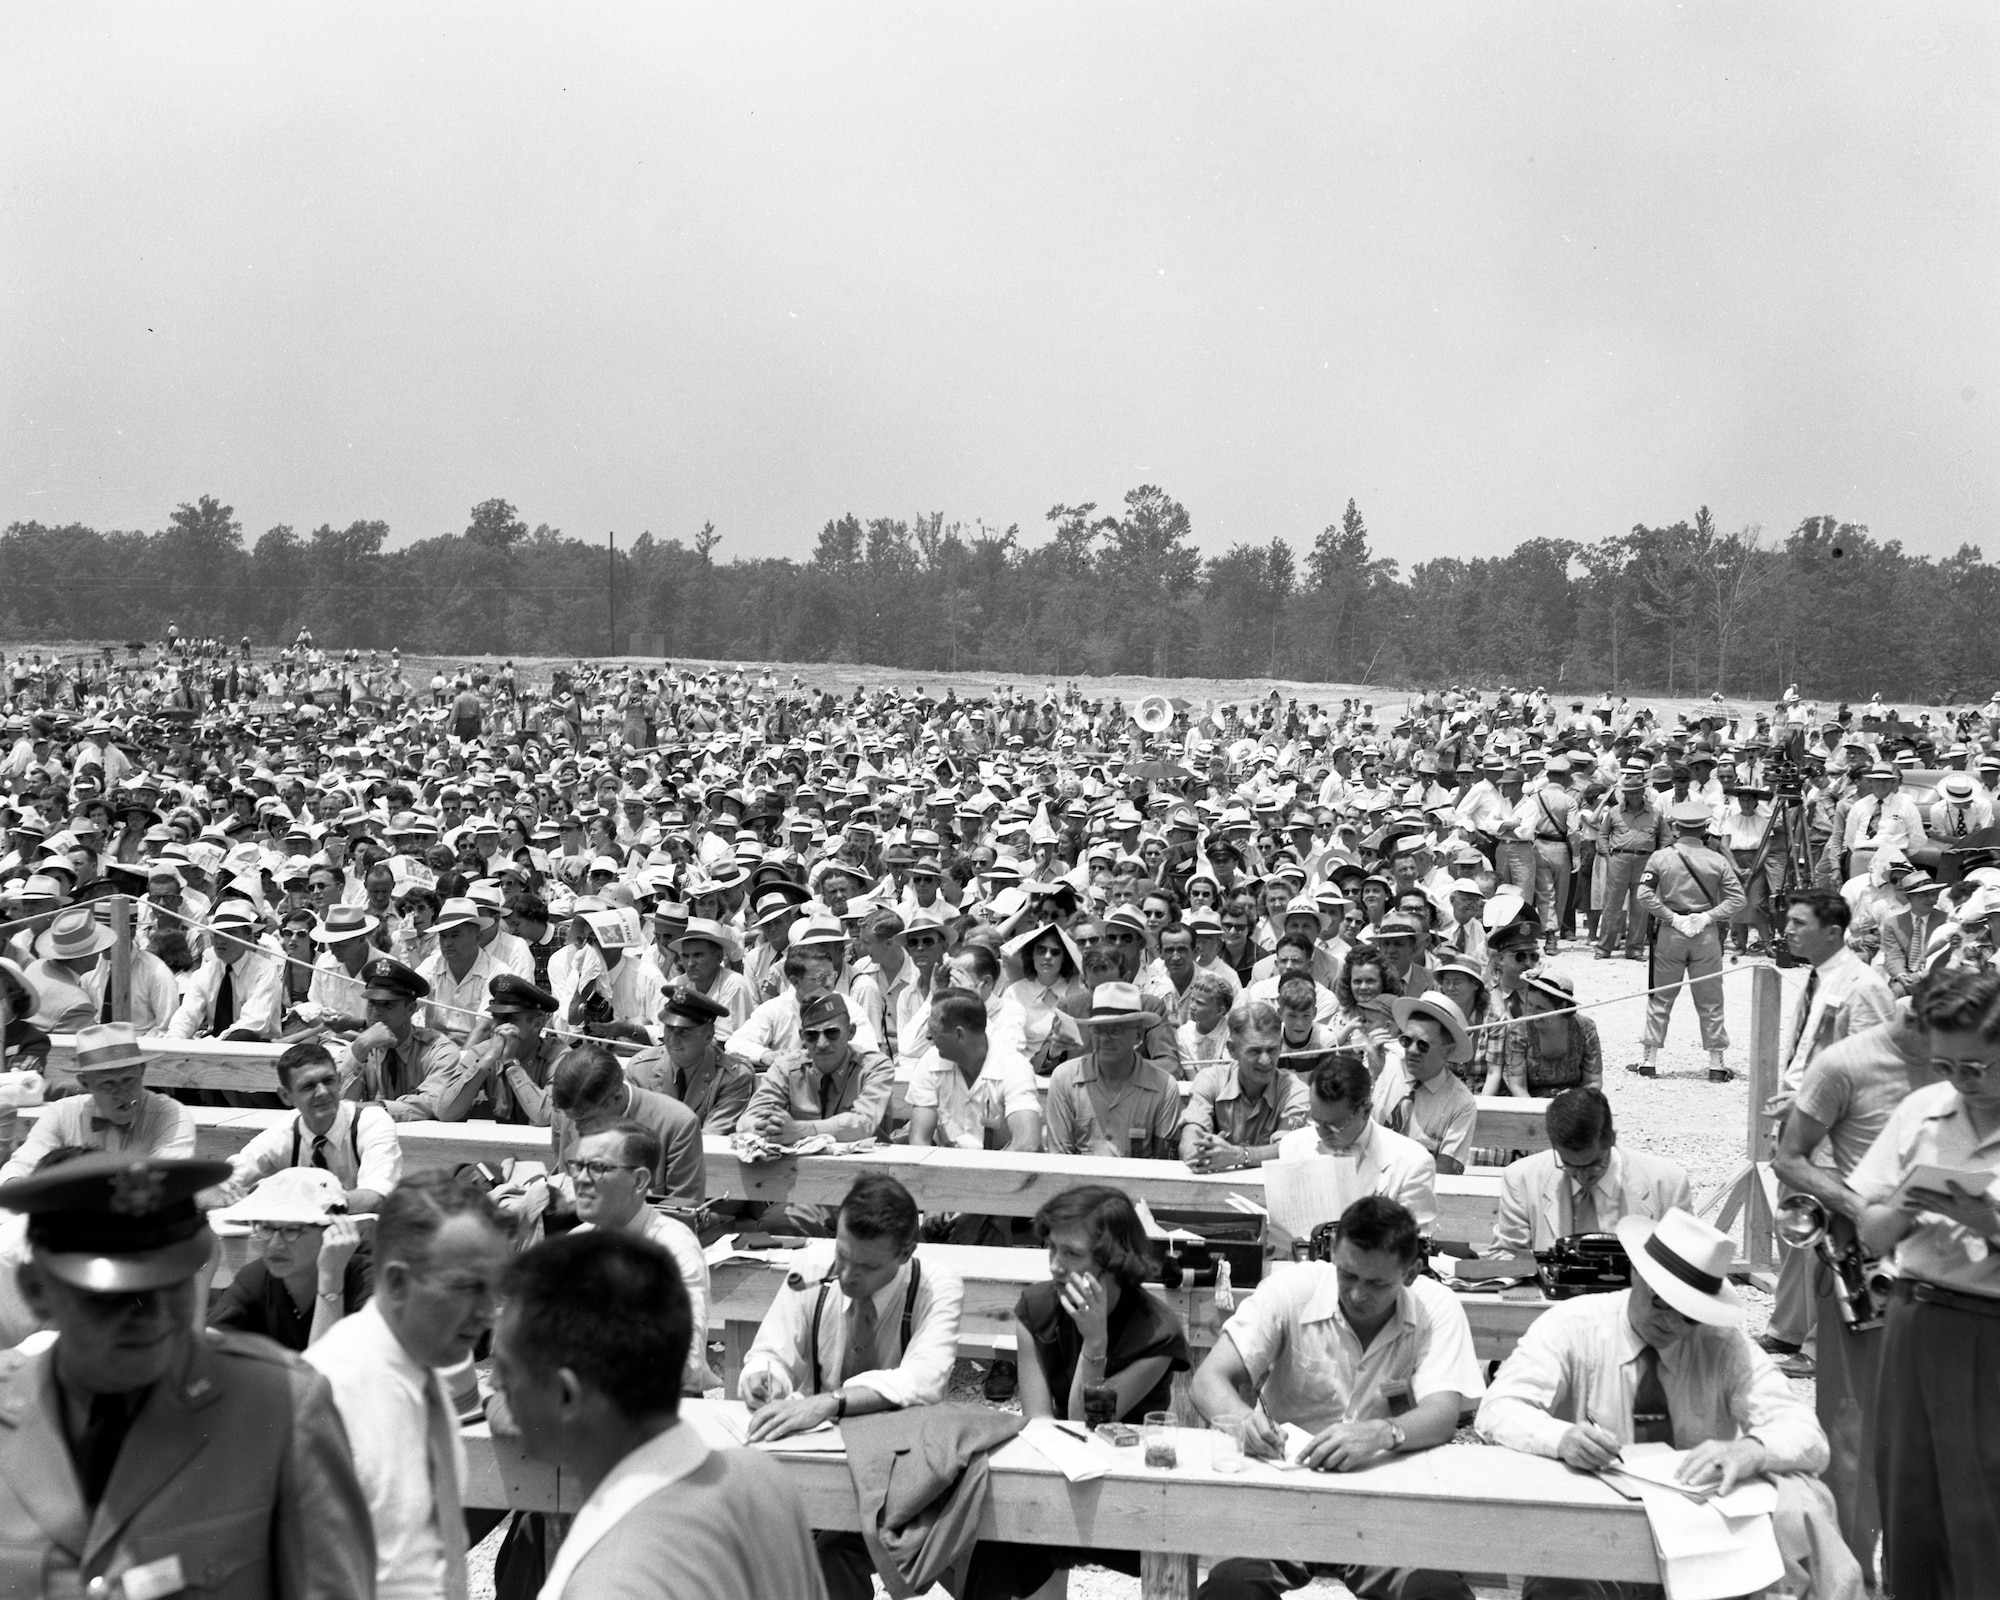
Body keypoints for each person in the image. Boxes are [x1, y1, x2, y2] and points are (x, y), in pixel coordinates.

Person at [0, 1152, 375, 1598]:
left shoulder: (279, 1406)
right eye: (111, 1297)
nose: (150, 1316)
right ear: (36, 1291)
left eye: (171, 1286)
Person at [1477, 1207, 1864, 1600]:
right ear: (1634, 1275)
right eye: (1661, 1303)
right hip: (1592, 1526)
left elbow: (1808, 1436)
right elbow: (1498, 1408)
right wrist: (1560, 1438)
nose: (1672, 1324)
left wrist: (1752, 1449)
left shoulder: (1724, 1345)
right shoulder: (1573, 1324)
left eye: (1690, 1316)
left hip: (1698, 1536)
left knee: (1801, 1496)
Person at [491, 1228, 826, 1600]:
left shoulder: (612, 1583)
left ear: (566, 1395)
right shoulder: (763, 1482)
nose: (494, 1385)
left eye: (506, 1371)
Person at [1190, 1195, 1483, 1600]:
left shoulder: (1437, 1307)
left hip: (1386, 1499)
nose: (1358, 1294)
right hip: (1286, 1490)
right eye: (1347, 1275)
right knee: (1230, 1590)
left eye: (1377, 1283)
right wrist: (1241, 1420)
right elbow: (1208, 1380)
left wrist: (1382, 1433)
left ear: (1412, 1272)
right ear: (1333, 1257)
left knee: (1437, 1594)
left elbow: (1443, 1414)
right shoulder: (1293, 1289)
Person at [1770, 996, 1941, 1579]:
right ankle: (1853, 1576)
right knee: (1853, 1426)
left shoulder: (1972, 1061)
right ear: (1921, 1013)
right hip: (1862, 1262)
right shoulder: (1845, 1063)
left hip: (1947, 1269)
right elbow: (1788, 1160)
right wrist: (1856, 1204)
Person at [736, 1175, 965, 1600]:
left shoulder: (937, 1285)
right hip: (820, 1457)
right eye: (842, 1255)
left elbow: (924, 1380)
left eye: (866, 1266)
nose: (846, 1273)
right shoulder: (810, 1268)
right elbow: (771, 1351)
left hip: (904, 1470)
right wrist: (764, 1379)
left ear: (905, 1253)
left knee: (834, 1558)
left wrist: (827, 1403)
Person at [1849, 967, 2000, 1599]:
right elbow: (1872, 1232)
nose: (1961, 1083)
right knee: (1910, 1498)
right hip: (1917, 1315)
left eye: (1977, 1069)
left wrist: (1987, 1221)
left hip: (1991, 1328)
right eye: (1945, 1066)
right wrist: (1911, 1202)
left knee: (1984, 1507)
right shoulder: (1922, 1110)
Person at [962, 1185, 1191, 1600]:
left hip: (1133, 1493)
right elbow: (1043, 1426)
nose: (1055, 1265)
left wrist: (1095, 1345)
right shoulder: (1036, 1308)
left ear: (1113, 1260)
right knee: (995, 1532)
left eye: (1071, 1254)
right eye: (1050, 1249)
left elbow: (1087, 1422)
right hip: (1063, 1478)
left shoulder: (1158, 1331)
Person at [306, 1170, 513, 1600]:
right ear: (398, 1283)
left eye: (493, 1290)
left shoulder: (427, 1372)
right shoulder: (333, 1395)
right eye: (466, 1288)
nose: (487, 1313)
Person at [1761, 889, 1900, 1380]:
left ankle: (1821, 1345)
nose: (1789, 931)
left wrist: (1810, 1107)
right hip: (1802, 1115)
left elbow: (1872, 1068)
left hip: (1833, 1128)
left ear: (1833, 932)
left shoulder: (1863, 987)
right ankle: (1789, 1326)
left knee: (1827, 1236)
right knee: (1797, 1225)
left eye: (1799, 923)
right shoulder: (1820, 977)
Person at [566, 1120, 713, 1395]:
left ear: (639, 1180)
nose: (581, 1179)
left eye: (598, 1167)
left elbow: (685, 1363)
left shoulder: (672, 1248)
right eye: (577, 1165)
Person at [1489, 1087, 1692, 1254]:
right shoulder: (1521, 1179)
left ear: (1612, 1139)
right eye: (1569, 1165)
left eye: (1594, 1164)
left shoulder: (1668, 1184)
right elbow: (1507, 1257)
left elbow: (1686, 1262)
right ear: (1553, 1146)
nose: (1583, 1176)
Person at [1633, 799, 1746, 1082]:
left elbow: (1644, 895)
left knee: (1661, 996)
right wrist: (1708, 917)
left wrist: (1671, 917)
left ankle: (1649, 1061)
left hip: (1671, 932)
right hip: (1705, 934)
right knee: (1711, 1000)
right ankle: (1716, 1064)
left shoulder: (1660, 857)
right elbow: (1737, 899)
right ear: (1705, 828)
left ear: (1675, 826)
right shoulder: (1717, 860)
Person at [219, 1037, 402, 1212]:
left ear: (339, 1081)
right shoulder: (285, 1131)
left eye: (328, 1081)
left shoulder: (370, 1121)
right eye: (308, 1086)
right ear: (286, 1096)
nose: (322, 1092)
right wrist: (226, 1195)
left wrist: (283, 1201)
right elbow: (217, 1185)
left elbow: (376, 1196)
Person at [0, 1021, 195, 1183]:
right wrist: (16, 1186)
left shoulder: (170, 1114)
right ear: (85, 1084)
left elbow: (169, 1178)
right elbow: (20, 1166)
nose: (122, 1093)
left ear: (142, 1071)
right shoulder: (62, 1114)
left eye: (129, 1080)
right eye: (107, 1084)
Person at [206, 1166, 371, 1350]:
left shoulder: (368, 1282)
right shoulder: (255, 1277)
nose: (275, 1244)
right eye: (266, 1228)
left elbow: (325, 1372)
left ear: (333, 1229)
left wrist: (331, 1281)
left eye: (291, 1230)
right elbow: (204, 1352)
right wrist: (204, 1274)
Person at [1274, 1055, 1439, 1235]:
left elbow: (1413, 1247)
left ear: (1366, 1111)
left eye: (1334, 1126)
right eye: (1316, 1120)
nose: (1321, 1133)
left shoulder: (1412, 1162)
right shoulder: (1293, 1146)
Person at [548, 1044, 706, 1211]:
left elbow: (684, 1212)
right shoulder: (566, 1113)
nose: (579, 1129)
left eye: (587, 1121)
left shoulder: (676, 1123)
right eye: (572, 1119)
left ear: (617, 1098)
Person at [1043, 981, 1183, 1157]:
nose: (1104, 1039)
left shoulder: (1164, 1087)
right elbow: (1059, 1158)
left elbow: (1164, 1166)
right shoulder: (1064, 1079)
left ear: (1139, 1035)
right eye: (1098, 1030)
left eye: (1115, 1031)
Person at [1179, 996, 1313, 1172]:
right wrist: (1198, 1153)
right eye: (1254, 1051)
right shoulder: (1210, 1080)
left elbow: (1289, 1148)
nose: (1265, 1061)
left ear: (1281, 1047)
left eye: (1272, 1050)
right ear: (1232, 1049)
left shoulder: (1295, 1092)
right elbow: (1191, 1132)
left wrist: (1239, 1155)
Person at [904, 987, 1043, 1152]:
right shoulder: (929, 1062)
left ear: (959, 1035)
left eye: (933, 1030)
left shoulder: (1014, 1067)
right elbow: (919, 1142)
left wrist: (983, 1176)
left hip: (1002, 1170)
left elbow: (1026, 1144)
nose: (928, 1036)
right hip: (943, 1170)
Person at [338, 955, 474, 1121]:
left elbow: (431, 1104)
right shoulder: (362, 1047)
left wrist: (372, 1109)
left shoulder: (438, 1049)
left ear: (410, 1008)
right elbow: (334, 1105)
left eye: (388, 1005)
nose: (376, 1012)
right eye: (372, 1003)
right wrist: (358, 1052)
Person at [1370, 993, 1477, 1175]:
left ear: (1447, 1050)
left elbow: (1445, 1171)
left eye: (1423, 1045)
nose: (1411, 1050)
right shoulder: (1382, 1066)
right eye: (1406, 1040)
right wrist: (1372, 1076)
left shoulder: (1461, 1103)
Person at [624, 987, 755, 1133]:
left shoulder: (732, 1077)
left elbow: (712, 1135)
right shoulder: (640, 1069)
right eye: (669, 1028)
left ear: (708, 1036)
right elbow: (628, 1130)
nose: (673, 1039)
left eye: (683, 1032)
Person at [168, 898, 287, 1039]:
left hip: (256, 1047)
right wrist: (174, 1040)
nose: (220, 940)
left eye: (230, 934)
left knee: (244, 1036)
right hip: (214, 1043)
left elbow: (253, 1024)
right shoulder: (204, 974)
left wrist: (214, 1045)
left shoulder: (264, 971)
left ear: (248, 938)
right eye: (217, 934)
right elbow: (186, 1017)